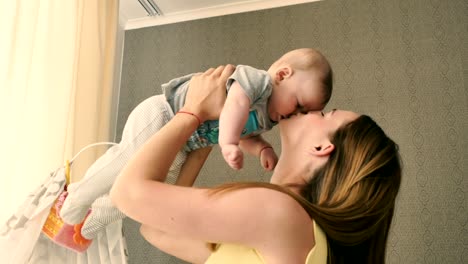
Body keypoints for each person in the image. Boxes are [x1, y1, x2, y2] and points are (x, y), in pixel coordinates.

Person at [110, 65, 402, 263]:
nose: (314, 110)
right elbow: (155, 229)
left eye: (326, 115)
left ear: (322, 147)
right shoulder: (287, 231)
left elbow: (126, 194)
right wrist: (208, 134)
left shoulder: (281, 214)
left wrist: (193, 111)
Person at [59, 48, 333, 237]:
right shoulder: (258, 81)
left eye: (302, 113)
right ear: (283, 75)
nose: (294, 115)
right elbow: (235, 105)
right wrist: (227, 143)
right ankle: (76, 198)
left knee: (152, 191)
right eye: (298, 104)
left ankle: (91, 223)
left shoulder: (268, 119)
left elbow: (244, 133)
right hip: (164, 113)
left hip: (185, 143)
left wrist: (261, 147)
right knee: (125, 161)